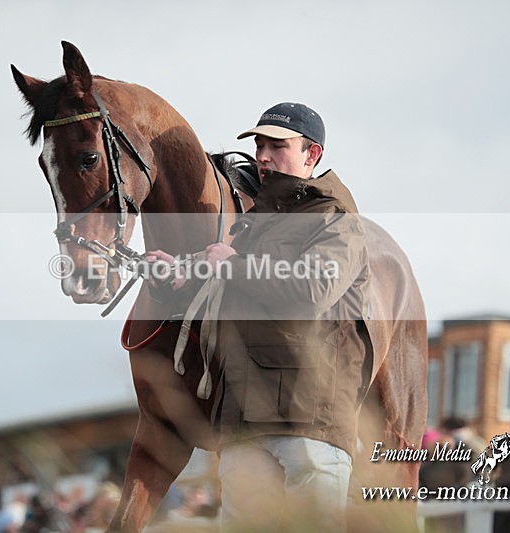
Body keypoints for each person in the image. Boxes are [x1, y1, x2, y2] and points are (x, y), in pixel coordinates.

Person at [147, 102, 372, 531]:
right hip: (241, 420)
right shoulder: (254, 225)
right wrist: (178, 278)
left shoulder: (336, 219)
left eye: (277, 145)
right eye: (259, 145)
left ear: (312, 155)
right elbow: (235, 290)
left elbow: (310, 289)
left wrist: (230, 264)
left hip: (309, 417)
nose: (263, 156)